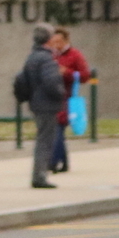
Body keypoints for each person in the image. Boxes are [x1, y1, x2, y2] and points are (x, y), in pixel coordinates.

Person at [11, 24, 68, 189]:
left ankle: (39, 175)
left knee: (42, 139)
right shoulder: (47, 59)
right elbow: (51, 82)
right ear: (49, 40)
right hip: (48, 105)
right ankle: (40, 176)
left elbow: (23, 80)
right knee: (45, 141)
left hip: (36, 103)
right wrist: (60, 93)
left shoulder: (32, 57)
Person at [49, 24, 90, 173]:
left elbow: (85, 76)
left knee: (58, 128)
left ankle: (54, 161)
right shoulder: (52, 55)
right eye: (54, 42)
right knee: (56, 128)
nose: (56, 45)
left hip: (67, 98)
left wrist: (67, 72)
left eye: (59, 42)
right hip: (53, 96)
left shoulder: (75, 55)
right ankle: (64, 162)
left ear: (66, 40)